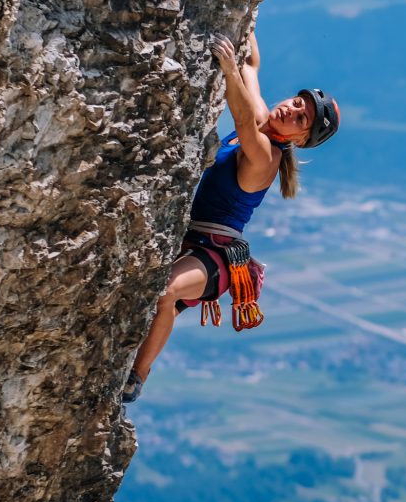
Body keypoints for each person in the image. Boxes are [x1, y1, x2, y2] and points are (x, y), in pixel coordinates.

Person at [122, 31, 339, 403]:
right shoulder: (261, 120)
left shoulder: (267, 156)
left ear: (299, 140)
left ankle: (137, 377)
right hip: (195, 242)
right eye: (296, 102)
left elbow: (240, 119)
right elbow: (253, 67)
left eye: (300, 117)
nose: (291, 108)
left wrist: (227, 69)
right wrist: (249, 22)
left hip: (218, 258)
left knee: (166, 290)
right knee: (160, 295)